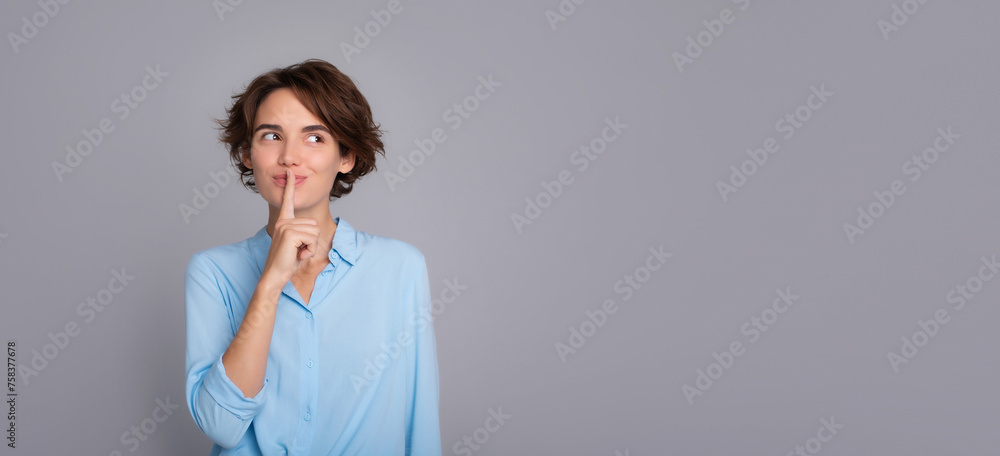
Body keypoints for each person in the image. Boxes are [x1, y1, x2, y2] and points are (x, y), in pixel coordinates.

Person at [183, 59, 442, 455]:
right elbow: (221, 426)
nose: (289, 156)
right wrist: (270, 283)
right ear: (248, 153)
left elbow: (420, 423)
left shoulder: (400, 267)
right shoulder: (212, 272)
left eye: (315, 138)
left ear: (346, 157)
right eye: (271, 136)